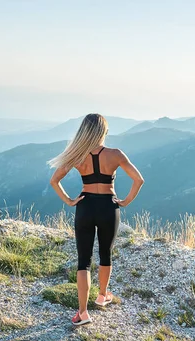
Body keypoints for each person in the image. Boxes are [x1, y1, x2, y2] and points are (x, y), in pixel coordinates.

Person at [48, 113, 144, 326]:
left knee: (83, 261)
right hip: (108, 206)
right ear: (103, 132)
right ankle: (102, 296)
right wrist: (126, 201)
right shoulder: (116, 154)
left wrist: (70, 201)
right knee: (105, 253)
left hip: (85, 206)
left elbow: (54, 180)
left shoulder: (77, 155)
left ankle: (82, 313)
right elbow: (139, 179)